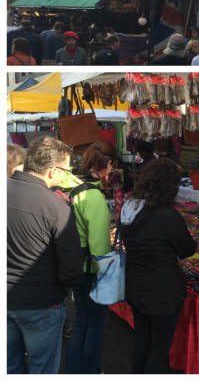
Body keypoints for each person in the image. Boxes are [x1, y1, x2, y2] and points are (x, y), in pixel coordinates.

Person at [8, 136, 84, 374]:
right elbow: (71, 267)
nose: (66, 174)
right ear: (52, 171)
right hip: (41, 304)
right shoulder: (57, 207)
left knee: (10, 367)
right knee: (42, 369)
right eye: (65, 169)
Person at [119, 159, 197, 373]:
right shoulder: (167, 216)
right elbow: (187, 249)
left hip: (136, 285)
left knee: (142, 338)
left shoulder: (129, 209)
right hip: (162, 290)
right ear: (169, 186)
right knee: (159, 346)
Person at [60, 144, 114, 374]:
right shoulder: (93, 196)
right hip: (91, 270)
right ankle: (91, 370)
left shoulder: (72, 188)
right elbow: (100, 244)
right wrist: (107, 274)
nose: (111, 172)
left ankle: (74, 370)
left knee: (82, 321)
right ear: (101, 168)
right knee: (95, 325)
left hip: (74, 265)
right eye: (111, 167)